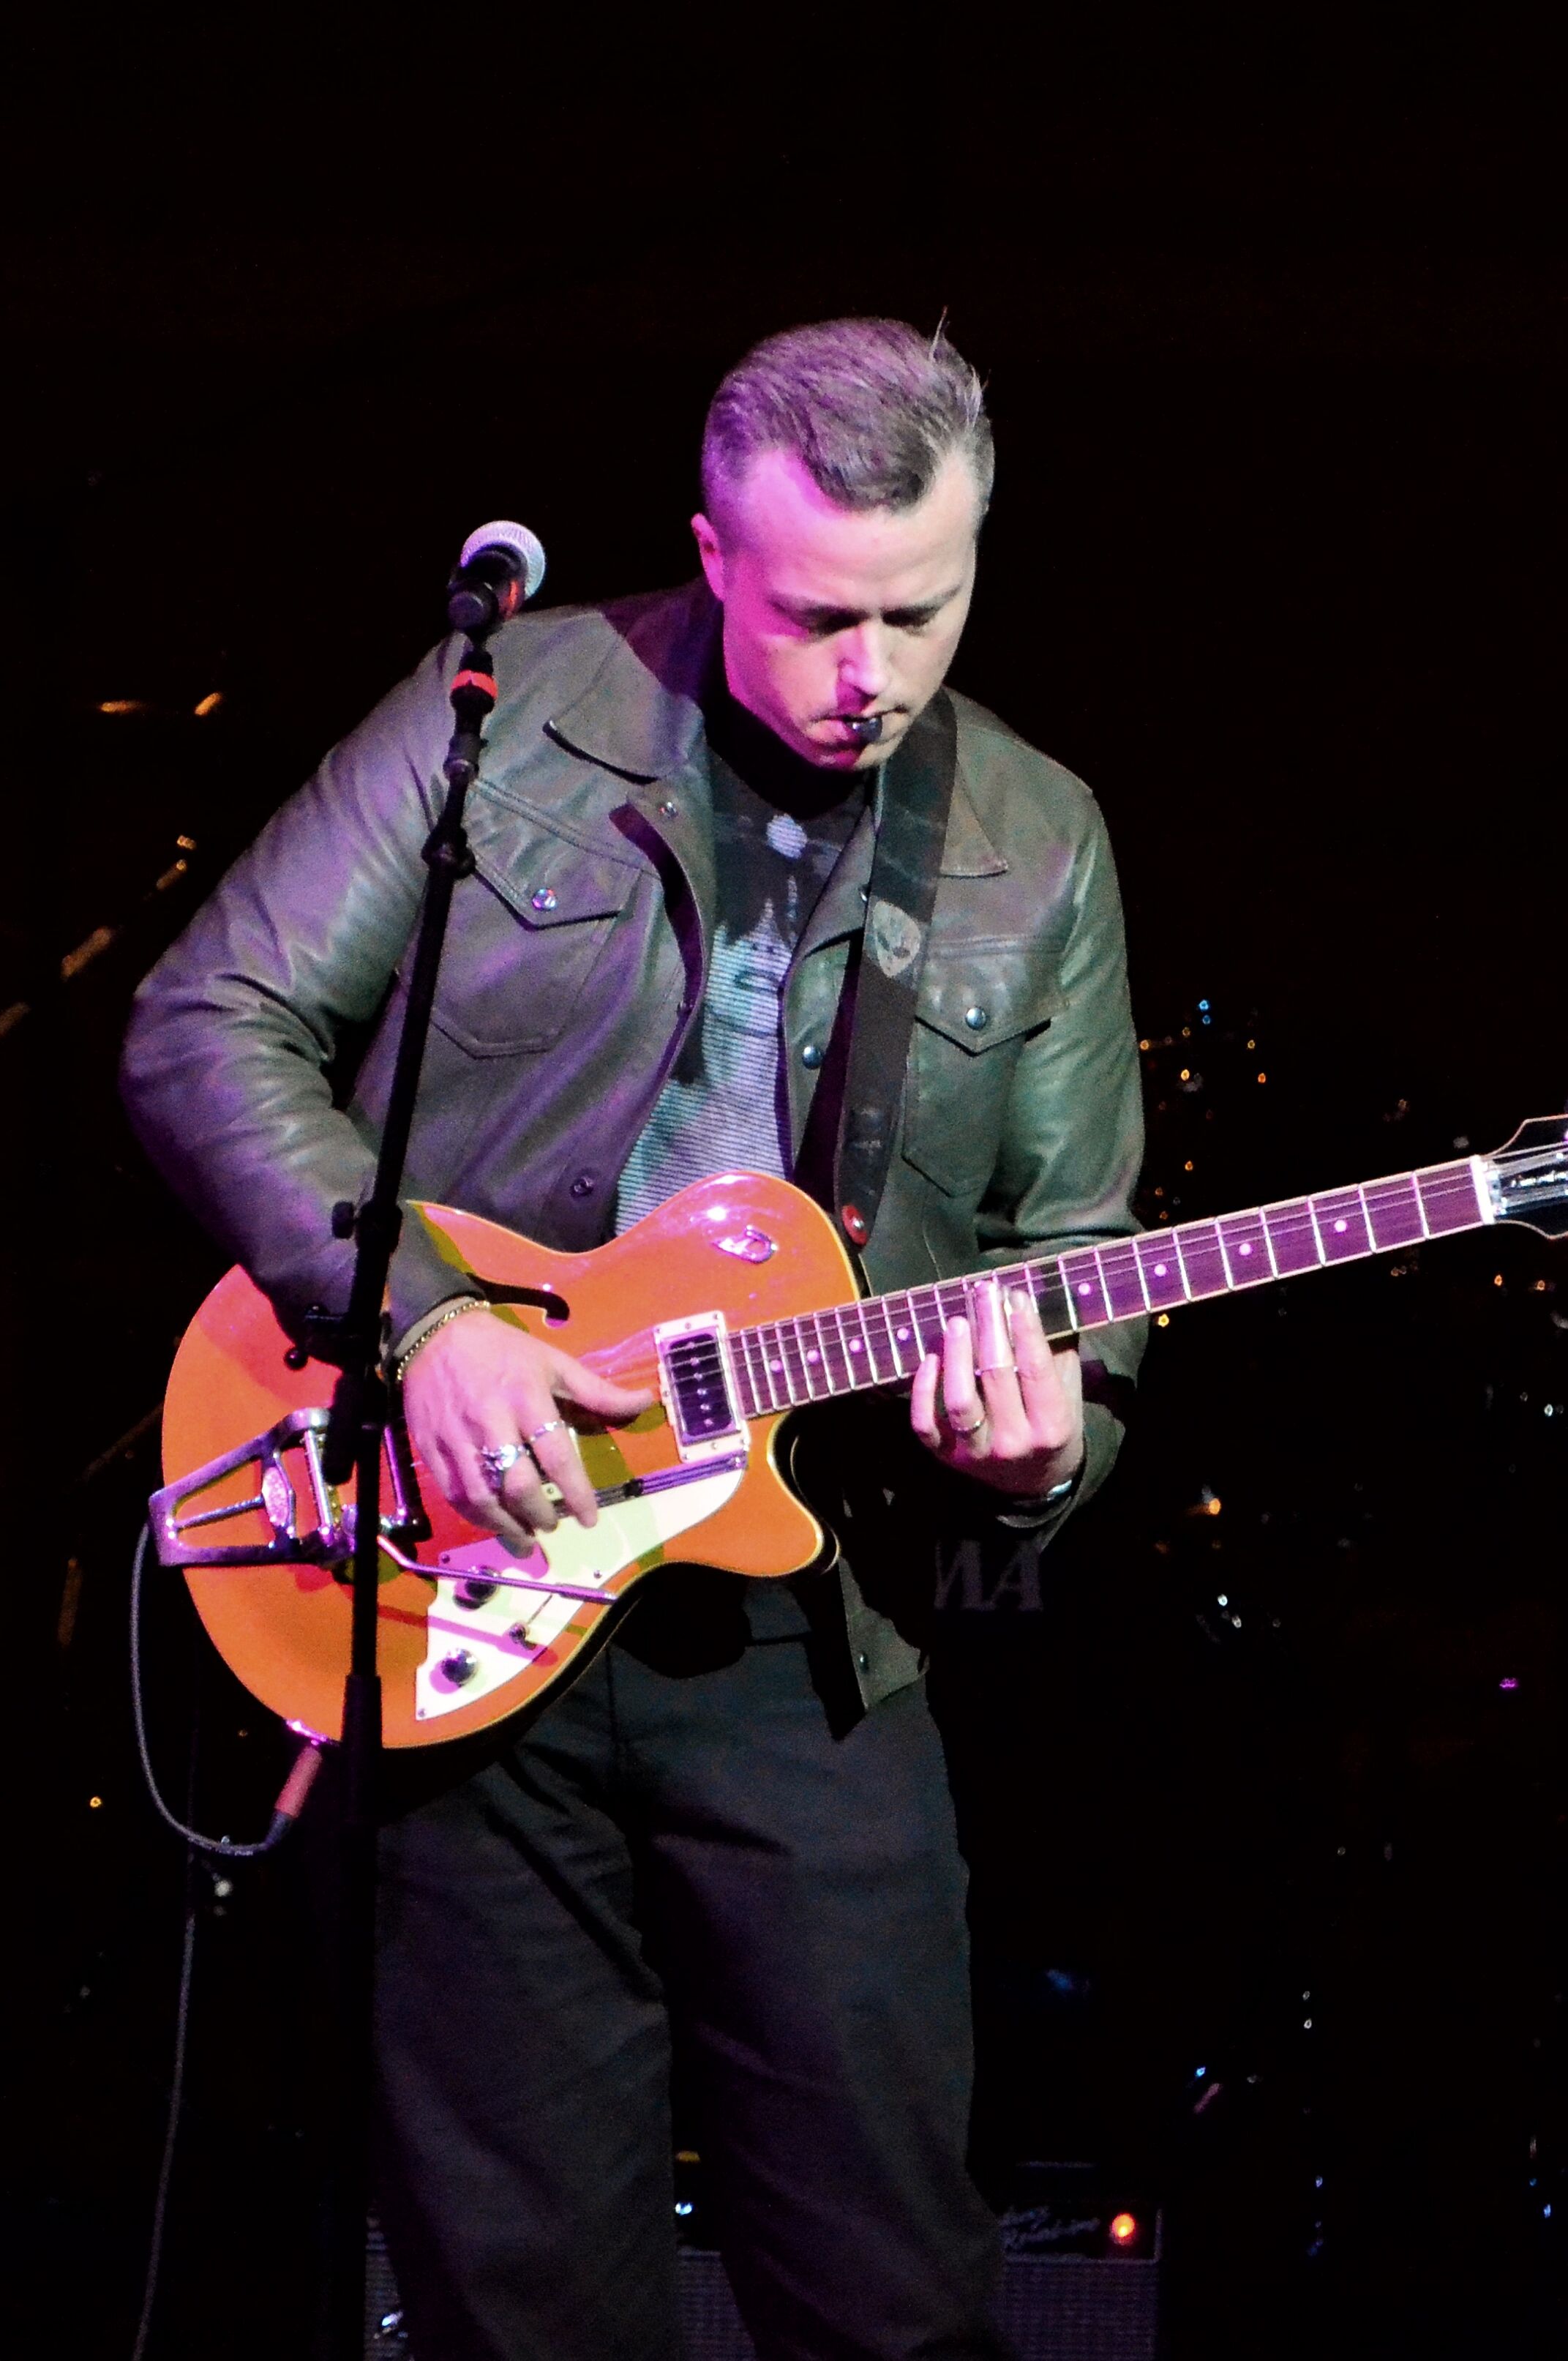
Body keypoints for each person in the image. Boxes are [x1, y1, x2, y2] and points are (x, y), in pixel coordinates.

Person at [122, 318, 1144, 2361]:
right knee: (524, 2308)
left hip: (807, 1630)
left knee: (891, 2291)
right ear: (708, 550)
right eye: (819, 616)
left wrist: (1051, 1449)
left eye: (921, 611)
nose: (873, 674)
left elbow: (1074, 1255)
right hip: (468, 1579)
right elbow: (201, 1025)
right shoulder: (510, 712)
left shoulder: (1036, 840)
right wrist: (431, 1322)